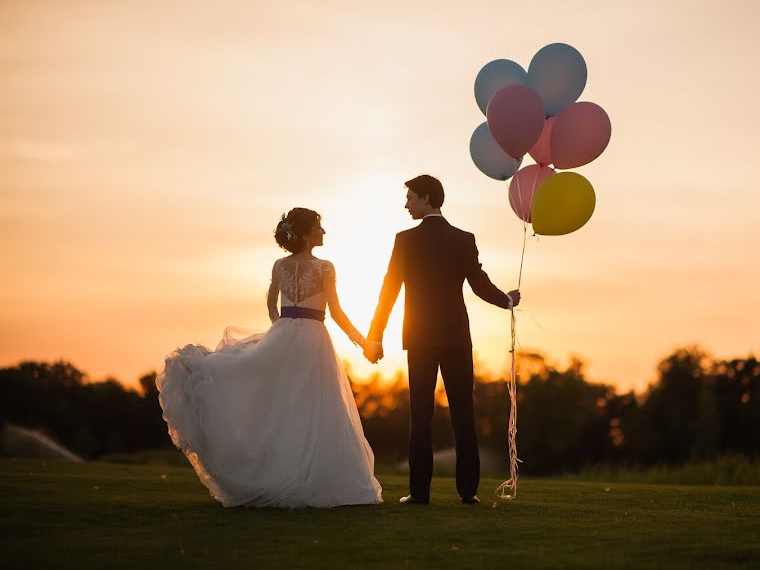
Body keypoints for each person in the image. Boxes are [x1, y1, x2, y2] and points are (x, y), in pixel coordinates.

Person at [156, 208, 382, 509]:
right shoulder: (325, 267)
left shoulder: (280, 265)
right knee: (315, 406)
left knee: (284, 404)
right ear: (304, 234)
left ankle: (280, 471)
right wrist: (363, 342)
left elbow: (271, 303)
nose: (323, 232)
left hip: (284, 334)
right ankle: (310, 476)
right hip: (313, 338)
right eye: (319, 227)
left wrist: (281, 329)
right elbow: (336, 313)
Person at [366, 175, 521, 504]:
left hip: (419, 338)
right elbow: (479, 283)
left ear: (425, 197)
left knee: (419, 416)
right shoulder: (463, 239)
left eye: (410, 197)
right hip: (455, 337)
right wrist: (505, 300)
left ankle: (419, 493)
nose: (406, 204)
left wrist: (375, 336)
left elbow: (388, 291)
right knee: (463, 414)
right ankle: (469, 493)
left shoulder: (404, 240)